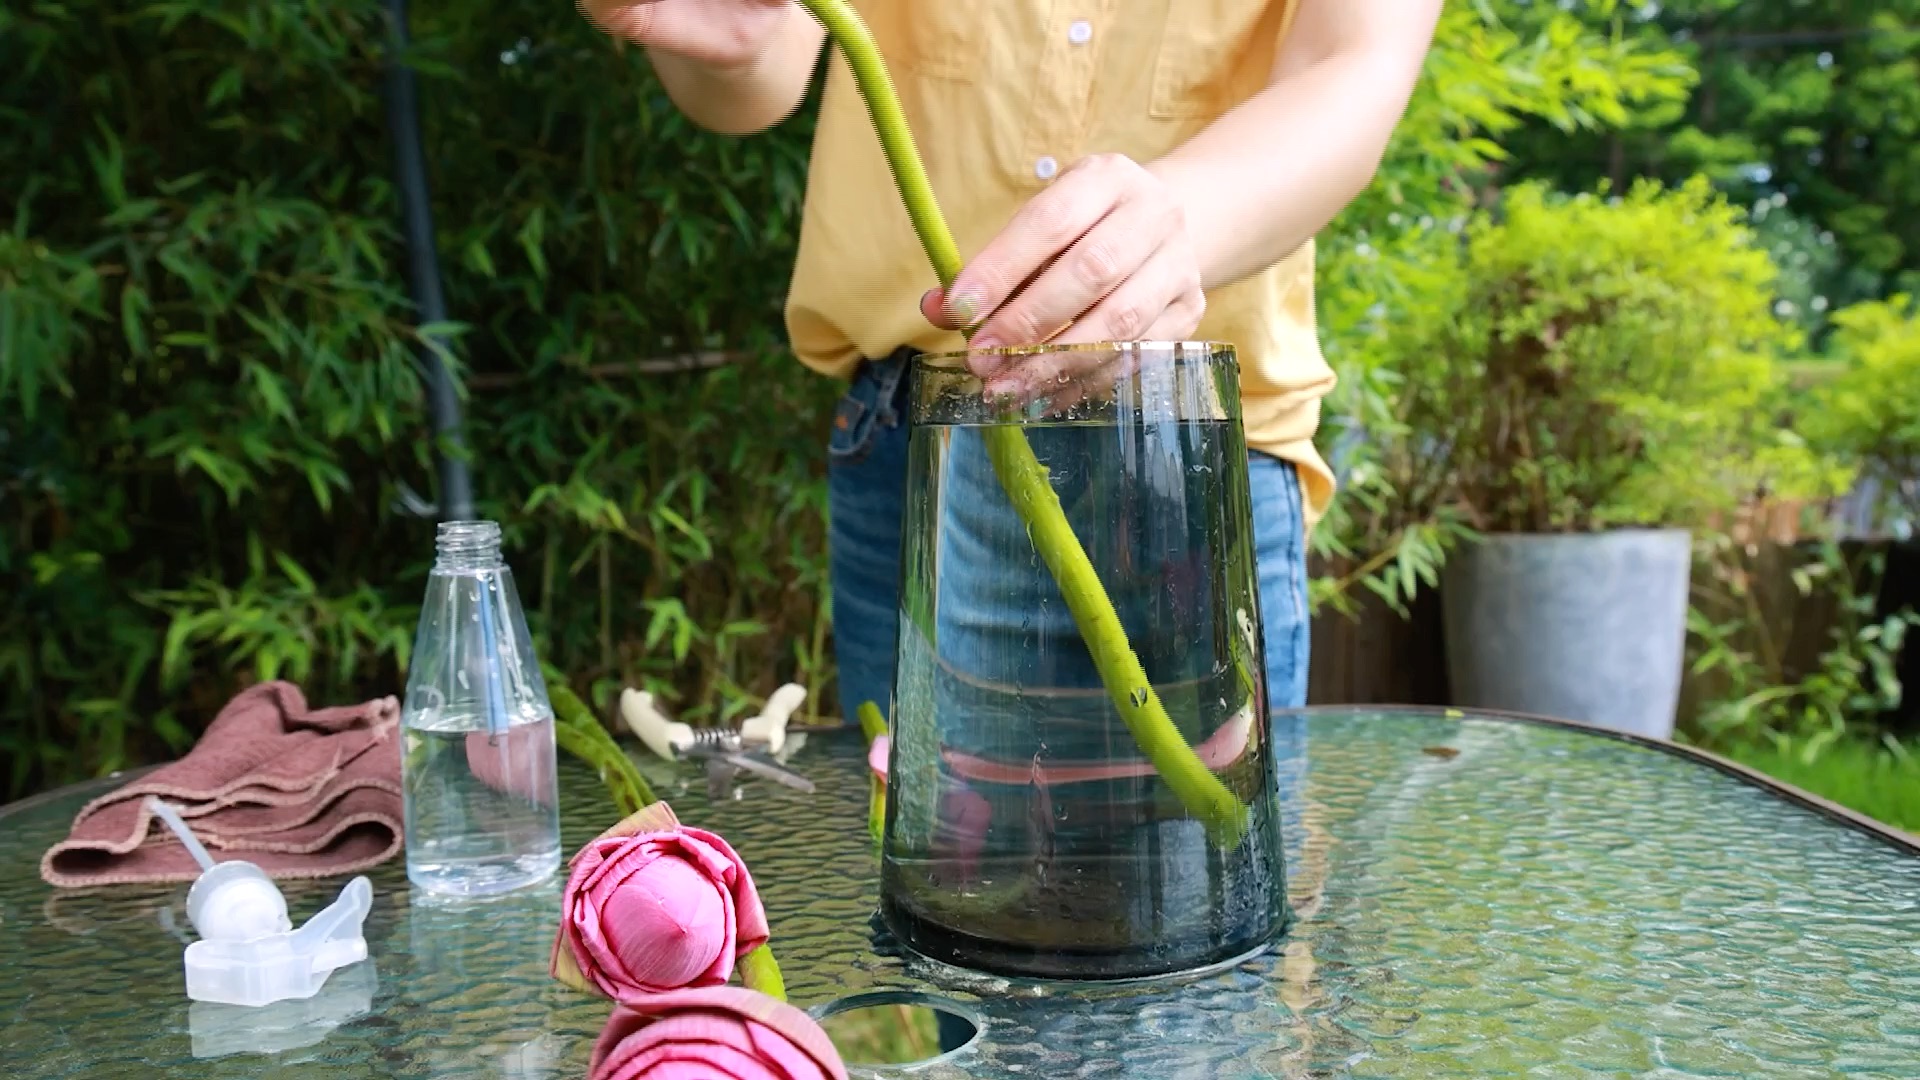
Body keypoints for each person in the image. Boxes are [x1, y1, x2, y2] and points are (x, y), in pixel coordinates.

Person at [577, 0, 1443, 724]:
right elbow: (758, 64)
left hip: (1192, 436)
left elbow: (1354, 67)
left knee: (1207, 907)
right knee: (936, 899)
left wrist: (1177, 224)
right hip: (921, 436)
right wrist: (714, 37)